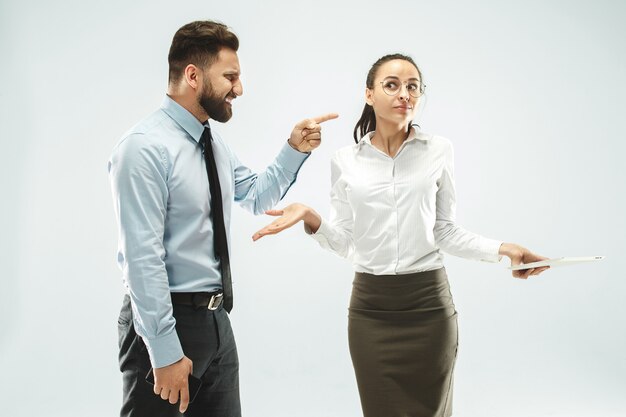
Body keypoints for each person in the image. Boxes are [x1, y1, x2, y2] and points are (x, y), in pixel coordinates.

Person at [252, 53, 549, 417]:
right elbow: (346, 241)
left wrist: (506, 249)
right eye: (391, 85)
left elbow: (444, 230)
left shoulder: (439, 150)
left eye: (413, 87)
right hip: (371, 311)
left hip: (429, 308)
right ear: (369, 94)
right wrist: (311, 218)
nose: (404, 94)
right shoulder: (345, 161)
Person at [108, 20, 337, 417]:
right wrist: (163, 351)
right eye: (230, 76)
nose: (239, 88)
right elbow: (141, 258)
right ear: (193, 76)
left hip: (216, 324)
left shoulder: (212, 144)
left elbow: (255, 195)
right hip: (165, 321)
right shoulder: (143, 149)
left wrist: (294, 148)